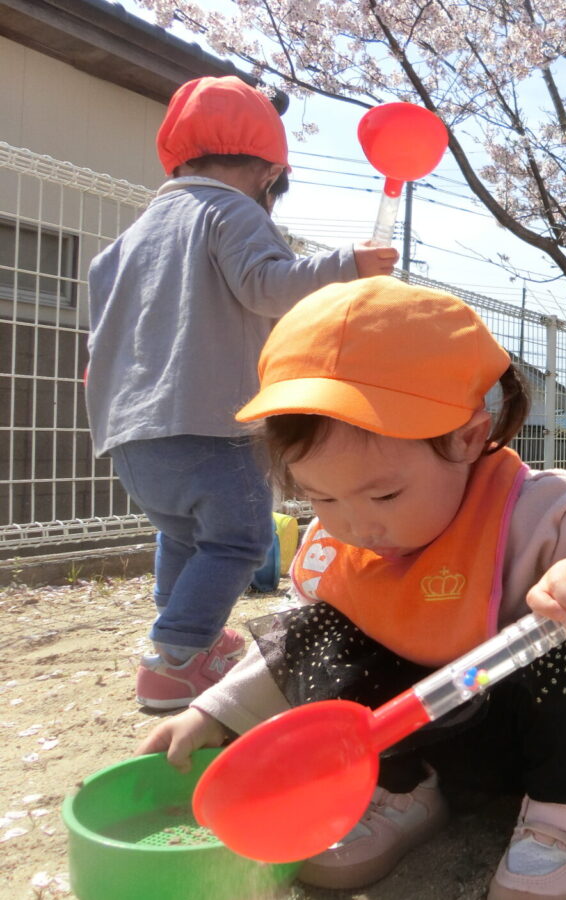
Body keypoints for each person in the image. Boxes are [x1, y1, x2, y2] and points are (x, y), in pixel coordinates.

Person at [137, 277, 566, 898]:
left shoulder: (537, 509)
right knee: (321, 623)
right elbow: (294, 645)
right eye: (320, 496)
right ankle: (404, 788)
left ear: (466, 438)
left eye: (385, 494)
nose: (354, 523)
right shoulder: (339, 541)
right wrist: (213, 712)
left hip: (540, 732)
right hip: (429, 740)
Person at [85, 75, 398, 711]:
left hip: (130, 435)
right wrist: (348, 267)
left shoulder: (129, 239)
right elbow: (264, 284)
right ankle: (176, 656)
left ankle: (186, 639)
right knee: (239, 538)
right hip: (210, 423)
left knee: (186, 536)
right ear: (267, 173)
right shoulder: (230, 210)